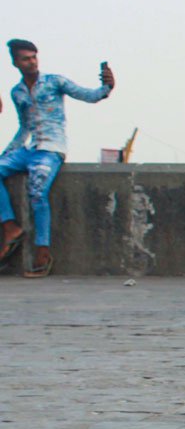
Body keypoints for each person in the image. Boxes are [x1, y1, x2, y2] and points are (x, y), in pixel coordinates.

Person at [2, 39, 115, 278]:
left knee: (37, 191)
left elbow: (89, 95)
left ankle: (43, 251)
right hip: (30, 148)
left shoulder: (54, 82)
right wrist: (8, 152)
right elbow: (24, 127)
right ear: (16, 63)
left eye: (34, 57)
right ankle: (10, 226)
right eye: (26, 59)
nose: (31, 62)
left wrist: (106, 88)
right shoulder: (18, 92)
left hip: (51, 148)